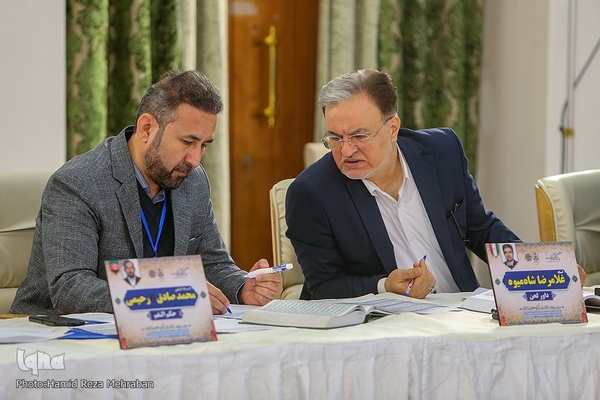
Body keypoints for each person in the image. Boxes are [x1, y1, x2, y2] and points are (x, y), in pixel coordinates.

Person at [10, 70, 282, 315]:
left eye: (204, 145)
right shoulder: (78, 183)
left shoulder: (193, 180)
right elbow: (70, 289)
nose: (195, 159)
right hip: (56, 335)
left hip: (156, 331)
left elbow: (212, 262)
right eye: (187, 141)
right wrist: (167, 295)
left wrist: (242, 287)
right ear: (147, 128)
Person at [286, 68, 524, 300]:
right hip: (388, 318)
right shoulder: (311, 193)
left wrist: (533, 270)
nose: (346, 150)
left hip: (462, 307)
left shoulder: (442, 151)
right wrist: (384, 286)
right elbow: (323, 286)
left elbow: (481, 229)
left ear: (393, 128)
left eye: (359, 136)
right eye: (335, 138)